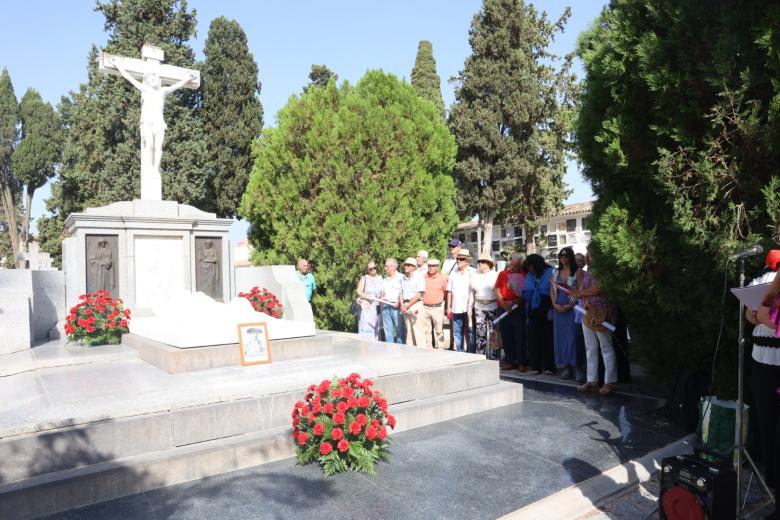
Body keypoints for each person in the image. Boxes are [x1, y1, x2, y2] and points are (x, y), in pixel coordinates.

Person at [746, 249, 780, 519]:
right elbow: (751, 315)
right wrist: (756, 316)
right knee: (768, 425)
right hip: (762, 359)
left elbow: (770, 320)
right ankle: (773, 488)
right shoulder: (763, 280)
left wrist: (762, 317)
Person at [574, 249, 617, 396]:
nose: (588, 256)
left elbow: (599, 289)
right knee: (590, 348)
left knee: (606, 348)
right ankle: (591, 380)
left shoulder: (606, 271)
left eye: (591, 253)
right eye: (588, 253)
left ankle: (609, 382)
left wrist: (580, 294)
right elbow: (584, 290)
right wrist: (585, 301)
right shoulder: (586, 272)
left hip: (602, 313)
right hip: (588, 313)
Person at [522, 254, 555, 375]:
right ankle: (535, 366)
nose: (529, 268)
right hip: (532, 307)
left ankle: (549, 366)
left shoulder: (550, 272)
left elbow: (552, 289)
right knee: (533, 338)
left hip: (546, 305)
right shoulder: (530, 275)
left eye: (530, 265)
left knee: (547, 337)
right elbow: (525, 290)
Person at [495, 252, 527, 371]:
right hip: (503, 308)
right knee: (506, 335)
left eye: (515, 266)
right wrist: (503, 303)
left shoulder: (524, 275)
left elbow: (524, 293)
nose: (512, 268)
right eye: (511, 265)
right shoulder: (502, 274)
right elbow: (497, 289)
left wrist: (514, 303)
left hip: (517, 309)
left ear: (520, 265)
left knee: (520, 335)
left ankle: (521, 362)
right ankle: (509, 360)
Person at [550, 247, 579, 380]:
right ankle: (565, 367)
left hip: (572, 309)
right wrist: (555, 304)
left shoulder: (577, 272)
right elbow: (552, 290)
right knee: (560, 339)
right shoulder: (556, 272)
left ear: (571, 257)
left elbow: (580, 291)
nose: (563, 258)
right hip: (558, 309)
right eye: (561, 255)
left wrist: (570, 305)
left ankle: (576, 367)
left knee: (572, 338)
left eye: (566, 255)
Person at [471, 253, 499, 357]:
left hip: (493, 306)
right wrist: (470, 307)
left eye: (482, 262)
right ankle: (481, 355)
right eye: (479, 262)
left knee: (493, 332)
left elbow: (498, 291)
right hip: (479, 307)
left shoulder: (495, 275)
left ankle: (494, 356)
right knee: (480, 333)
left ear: (489, 264)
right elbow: (472, 292)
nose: (480, 264)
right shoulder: (474, 274)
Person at [447, 249, 474, 352]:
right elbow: (449, 290)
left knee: (470, 331)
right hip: (456, 306)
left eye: (461, 259)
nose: (458, 261)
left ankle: (471, 352)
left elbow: (474, 290)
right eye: (457, 259)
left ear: (467, 261)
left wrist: (471, 305)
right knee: (457, 332)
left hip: (469, 307)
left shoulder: (472, 272)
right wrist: (448, 307)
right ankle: (460, 352)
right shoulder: (453, 273)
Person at [421, 258, 448, 348]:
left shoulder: (443, 278)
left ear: (437, 267)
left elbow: (446, 292)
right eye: (429, 266)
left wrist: (446, 307)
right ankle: (429, 349)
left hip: (437, 307)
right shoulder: (423, 277)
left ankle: (441, 349)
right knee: (426, 330)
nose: (431, 268)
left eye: (433, 266)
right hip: (425, 307)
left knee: (439, 330)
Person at [400, 257, 425, 346]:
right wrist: (403, 305)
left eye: (408, 265)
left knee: (418, 331)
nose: (406, 266)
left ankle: (421, 353)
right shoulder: (403, 278)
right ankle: (410, 353)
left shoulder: (419, 277)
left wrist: (407, 305)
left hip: (416, 304)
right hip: (406, 304)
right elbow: (401, 293)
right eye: (405, 265)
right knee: (409, 331)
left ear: (414, 267)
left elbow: (419, 294)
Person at [380, 258, 405, 344]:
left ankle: (401, 351)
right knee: (388, 331)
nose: (385, 268)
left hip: (397, 307)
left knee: (399, 331)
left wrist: (399, 303)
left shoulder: (402, 278)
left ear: (394, 267)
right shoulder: (385, 280)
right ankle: (389, 350)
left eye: (387, 266)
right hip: (386, 307)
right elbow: (382, 294)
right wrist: (381, 298)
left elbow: (404, 293)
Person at [356, 261, 383, 340]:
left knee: (376, 327)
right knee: (366, 328)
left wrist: (381, 297)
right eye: (371, 269)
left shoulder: (380, 278)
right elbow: (359, 291)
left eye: (374, 268)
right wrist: (368, 297)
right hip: (366, 308)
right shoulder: (364, 278)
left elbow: (382, 292)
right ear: (368, 270)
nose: (373, 270)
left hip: (377, 307)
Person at [573, 253, 588, 382]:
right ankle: (579, 369)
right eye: (576, 260)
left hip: (588, 312)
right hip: (577, 313)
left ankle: (588, 371)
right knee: (579, 343)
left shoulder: (587, 275)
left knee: (588, 344)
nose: (578, 262)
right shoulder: (571, 275)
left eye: (581, 260)